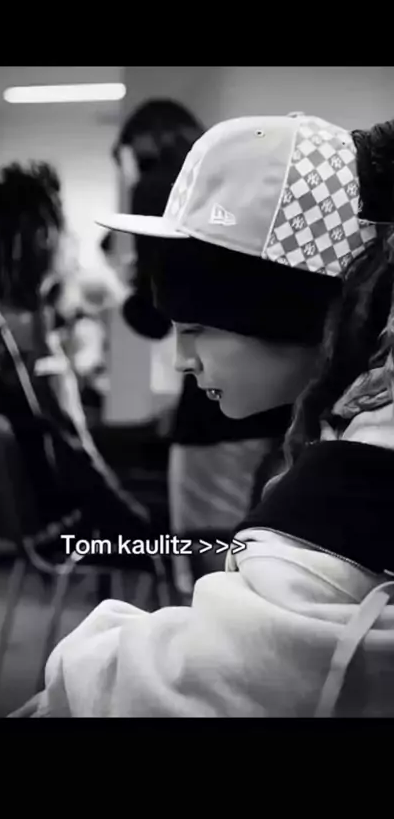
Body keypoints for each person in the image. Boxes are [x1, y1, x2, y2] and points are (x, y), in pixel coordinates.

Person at [10, 111, 394, 718]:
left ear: (281, 309)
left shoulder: (365, 461)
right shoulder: (355, 411)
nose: (181, 359)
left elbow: (218, 676)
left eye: (196, 328)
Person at [112, 100, 295, 592]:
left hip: (216, 416)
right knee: (261, 557)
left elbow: (154, 313)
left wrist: (121, 293)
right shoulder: (240, 188)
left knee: (208, 562)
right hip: (279, 411)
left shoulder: (159, 187)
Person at [0, 162, 158, 559]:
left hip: (55, 514)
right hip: (69, 523)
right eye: (66, 229)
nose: (74, 240)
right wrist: (146, 528)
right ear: (40, 240)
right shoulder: (20, 332)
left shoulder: (0, 322)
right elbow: (74, 452)